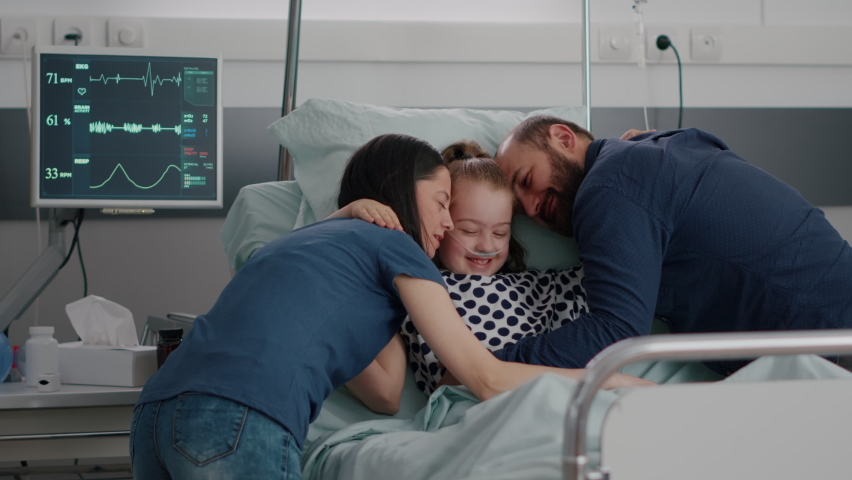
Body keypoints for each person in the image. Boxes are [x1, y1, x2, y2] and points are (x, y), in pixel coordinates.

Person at [129, 133, 648, 480]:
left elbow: (383, 394)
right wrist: (607, 380)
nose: (447, 223)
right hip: (240, 418)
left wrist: (386, 299)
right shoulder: (397, 245)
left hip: (153, 416)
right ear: (400, 190)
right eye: (442, 203)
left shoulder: (305, 244)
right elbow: (486, 378)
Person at [489, 116, 852, 374]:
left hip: (832, 344)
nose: (531, 208)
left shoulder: (607, 187)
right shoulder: (671, 142)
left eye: (527, 179)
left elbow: (614, 333)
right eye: (520, 209)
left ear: (563, 138)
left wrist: (486, 365)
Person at [397, 140, 589, 394]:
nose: (487, 246)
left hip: (545, 395)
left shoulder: (540, 287)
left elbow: (609, 278)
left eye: (500, 233)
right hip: (467, 404)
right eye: (469, 230)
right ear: (442, 224)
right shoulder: (419, 287)